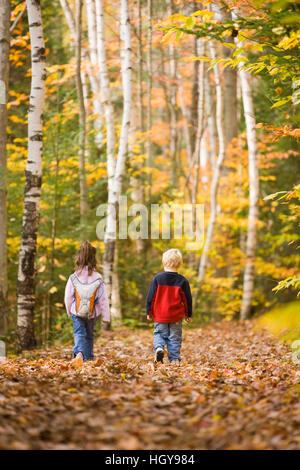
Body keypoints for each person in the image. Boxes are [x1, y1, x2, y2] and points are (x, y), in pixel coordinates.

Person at [64, 241, 110, 364]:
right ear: (94, 258)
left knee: (79, 333)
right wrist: (106, 316)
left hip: (76, 311)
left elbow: (68, 297)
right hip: (92, 313)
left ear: (78, 258)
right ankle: (88, 359)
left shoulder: (73, 277)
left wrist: (69, 310)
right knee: (89, 335)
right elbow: (103, 299)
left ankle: (79, 353)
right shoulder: (98, 277)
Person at [146, 248, 192, 365]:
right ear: (180, 264)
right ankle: (174, 359)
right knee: (175, 337)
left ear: (164, 263)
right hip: (176, 316)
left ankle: (159, 348)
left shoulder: (158, 278)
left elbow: (151, 297)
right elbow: (187, 299)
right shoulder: (182, 281)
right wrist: (188, 314)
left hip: (160, 314)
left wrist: (149, 312)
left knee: (159, 333)